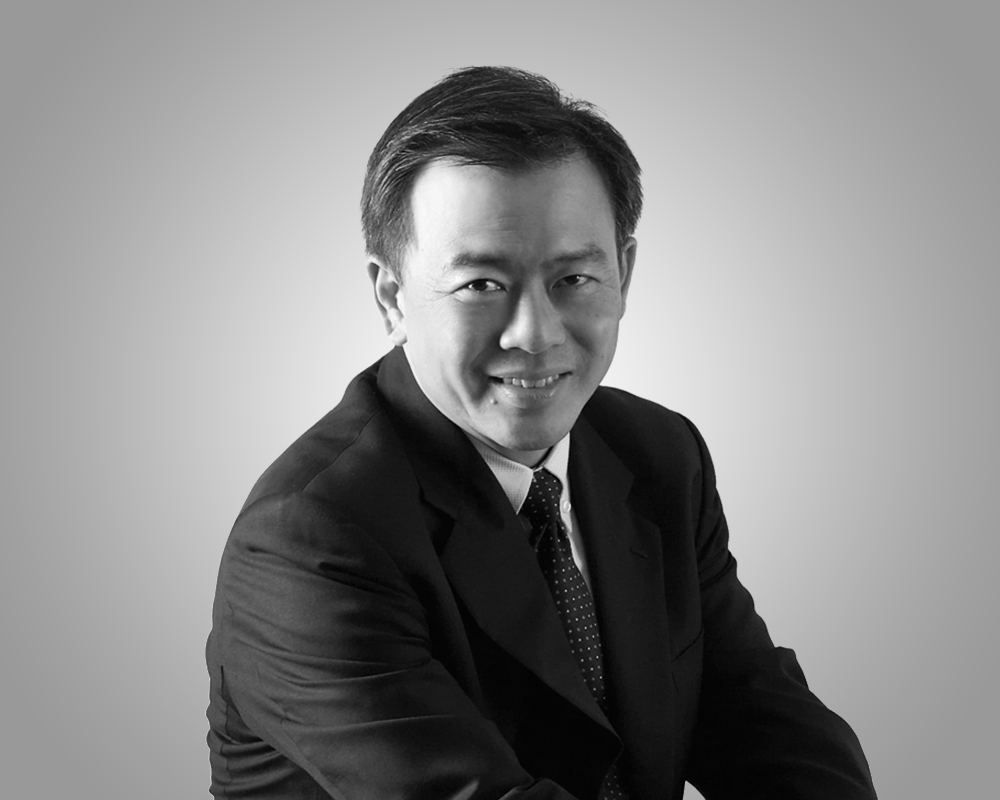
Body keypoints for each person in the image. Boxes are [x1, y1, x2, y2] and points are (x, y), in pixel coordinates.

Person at [205, 66, 877, 800]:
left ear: (623, 273)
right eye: (481, 285)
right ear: (392, 298)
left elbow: (771, 731)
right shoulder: (309, 537)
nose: (535, 334)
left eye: (573, 279)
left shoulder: (659, 455)